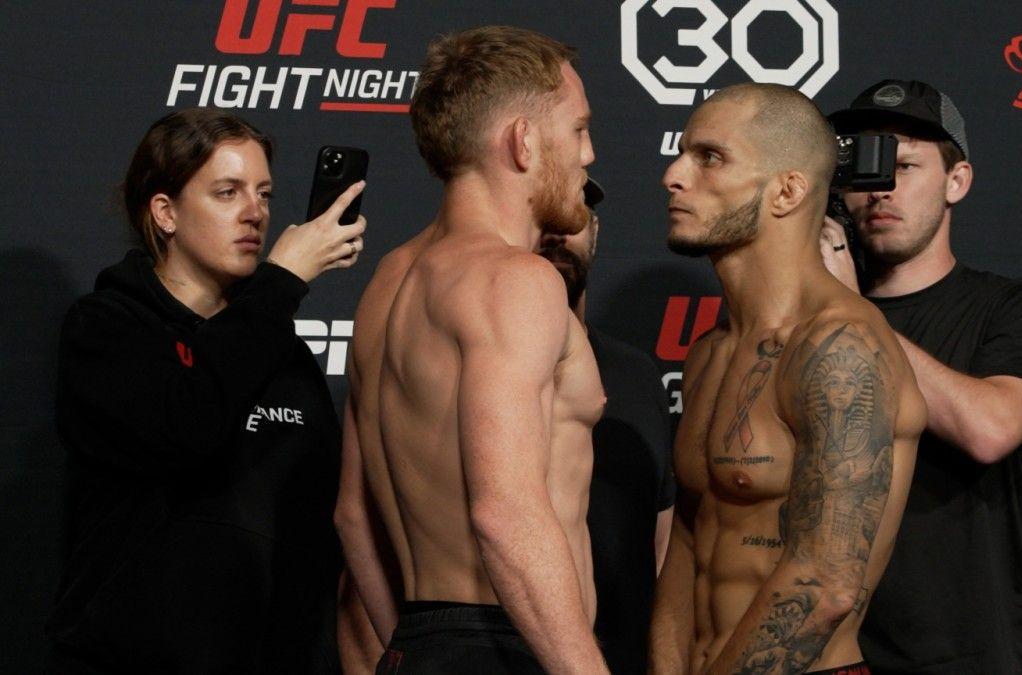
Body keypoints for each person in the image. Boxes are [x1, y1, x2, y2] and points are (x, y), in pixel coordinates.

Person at [48, 107, 367, 673]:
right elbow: (185, 426)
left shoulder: (282, 351)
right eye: (227, 192)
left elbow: (322, 520)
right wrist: (281, 284)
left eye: (264, 194)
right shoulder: (107, 329)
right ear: (165, 212)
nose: (255, 214)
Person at [334, 26, 608, 674]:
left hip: (422, 644)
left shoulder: (387, 284)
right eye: (578, 130)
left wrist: (412, 651)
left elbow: (353, 516)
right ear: (522, 140)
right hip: (510, 646)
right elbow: (505, 511)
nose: (590, 153)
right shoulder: (516, 279)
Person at [649, 83, 925, 675]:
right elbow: (687, 554)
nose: (674, 175)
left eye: (710, 157)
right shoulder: (711, 355)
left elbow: (826, 585)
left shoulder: (839, 347)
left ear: (788, 191)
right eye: (681, 154)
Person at [823, 79, 1022, 674]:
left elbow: (989, 428)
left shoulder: (1013, 307)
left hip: (968, 653)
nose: (882, 190)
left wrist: (849, 310)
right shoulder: (806, 317)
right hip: (830, 651)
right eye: (868, 168)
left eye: (904, 166)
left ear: (957, 182)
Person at [537, 179, 676, 674]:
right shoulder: (472, 364)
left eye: (573, 219)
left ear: (594, 232)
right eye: (542, 219)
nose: (557, 235)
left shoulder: (638, 374)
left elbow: (662, 539)